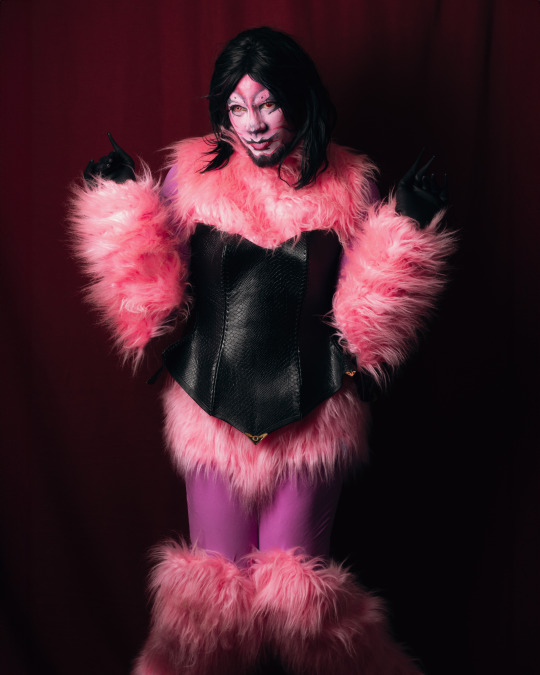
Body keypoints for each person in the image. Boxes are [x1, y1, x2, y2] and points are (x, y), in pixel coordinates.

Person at [71, 26, 453, 675]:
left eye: (267, 103)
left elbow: (365, 315)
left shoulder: (350, 184)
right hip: (210, 412)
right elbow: (153, 295)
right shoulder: (191, 178)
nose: (251, 123)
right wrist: (121, 205)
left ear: (298, 98)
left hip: (315, 416)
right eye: (237, 107)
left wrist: (405, 230)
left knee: (301, 596)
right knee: (210, 600)